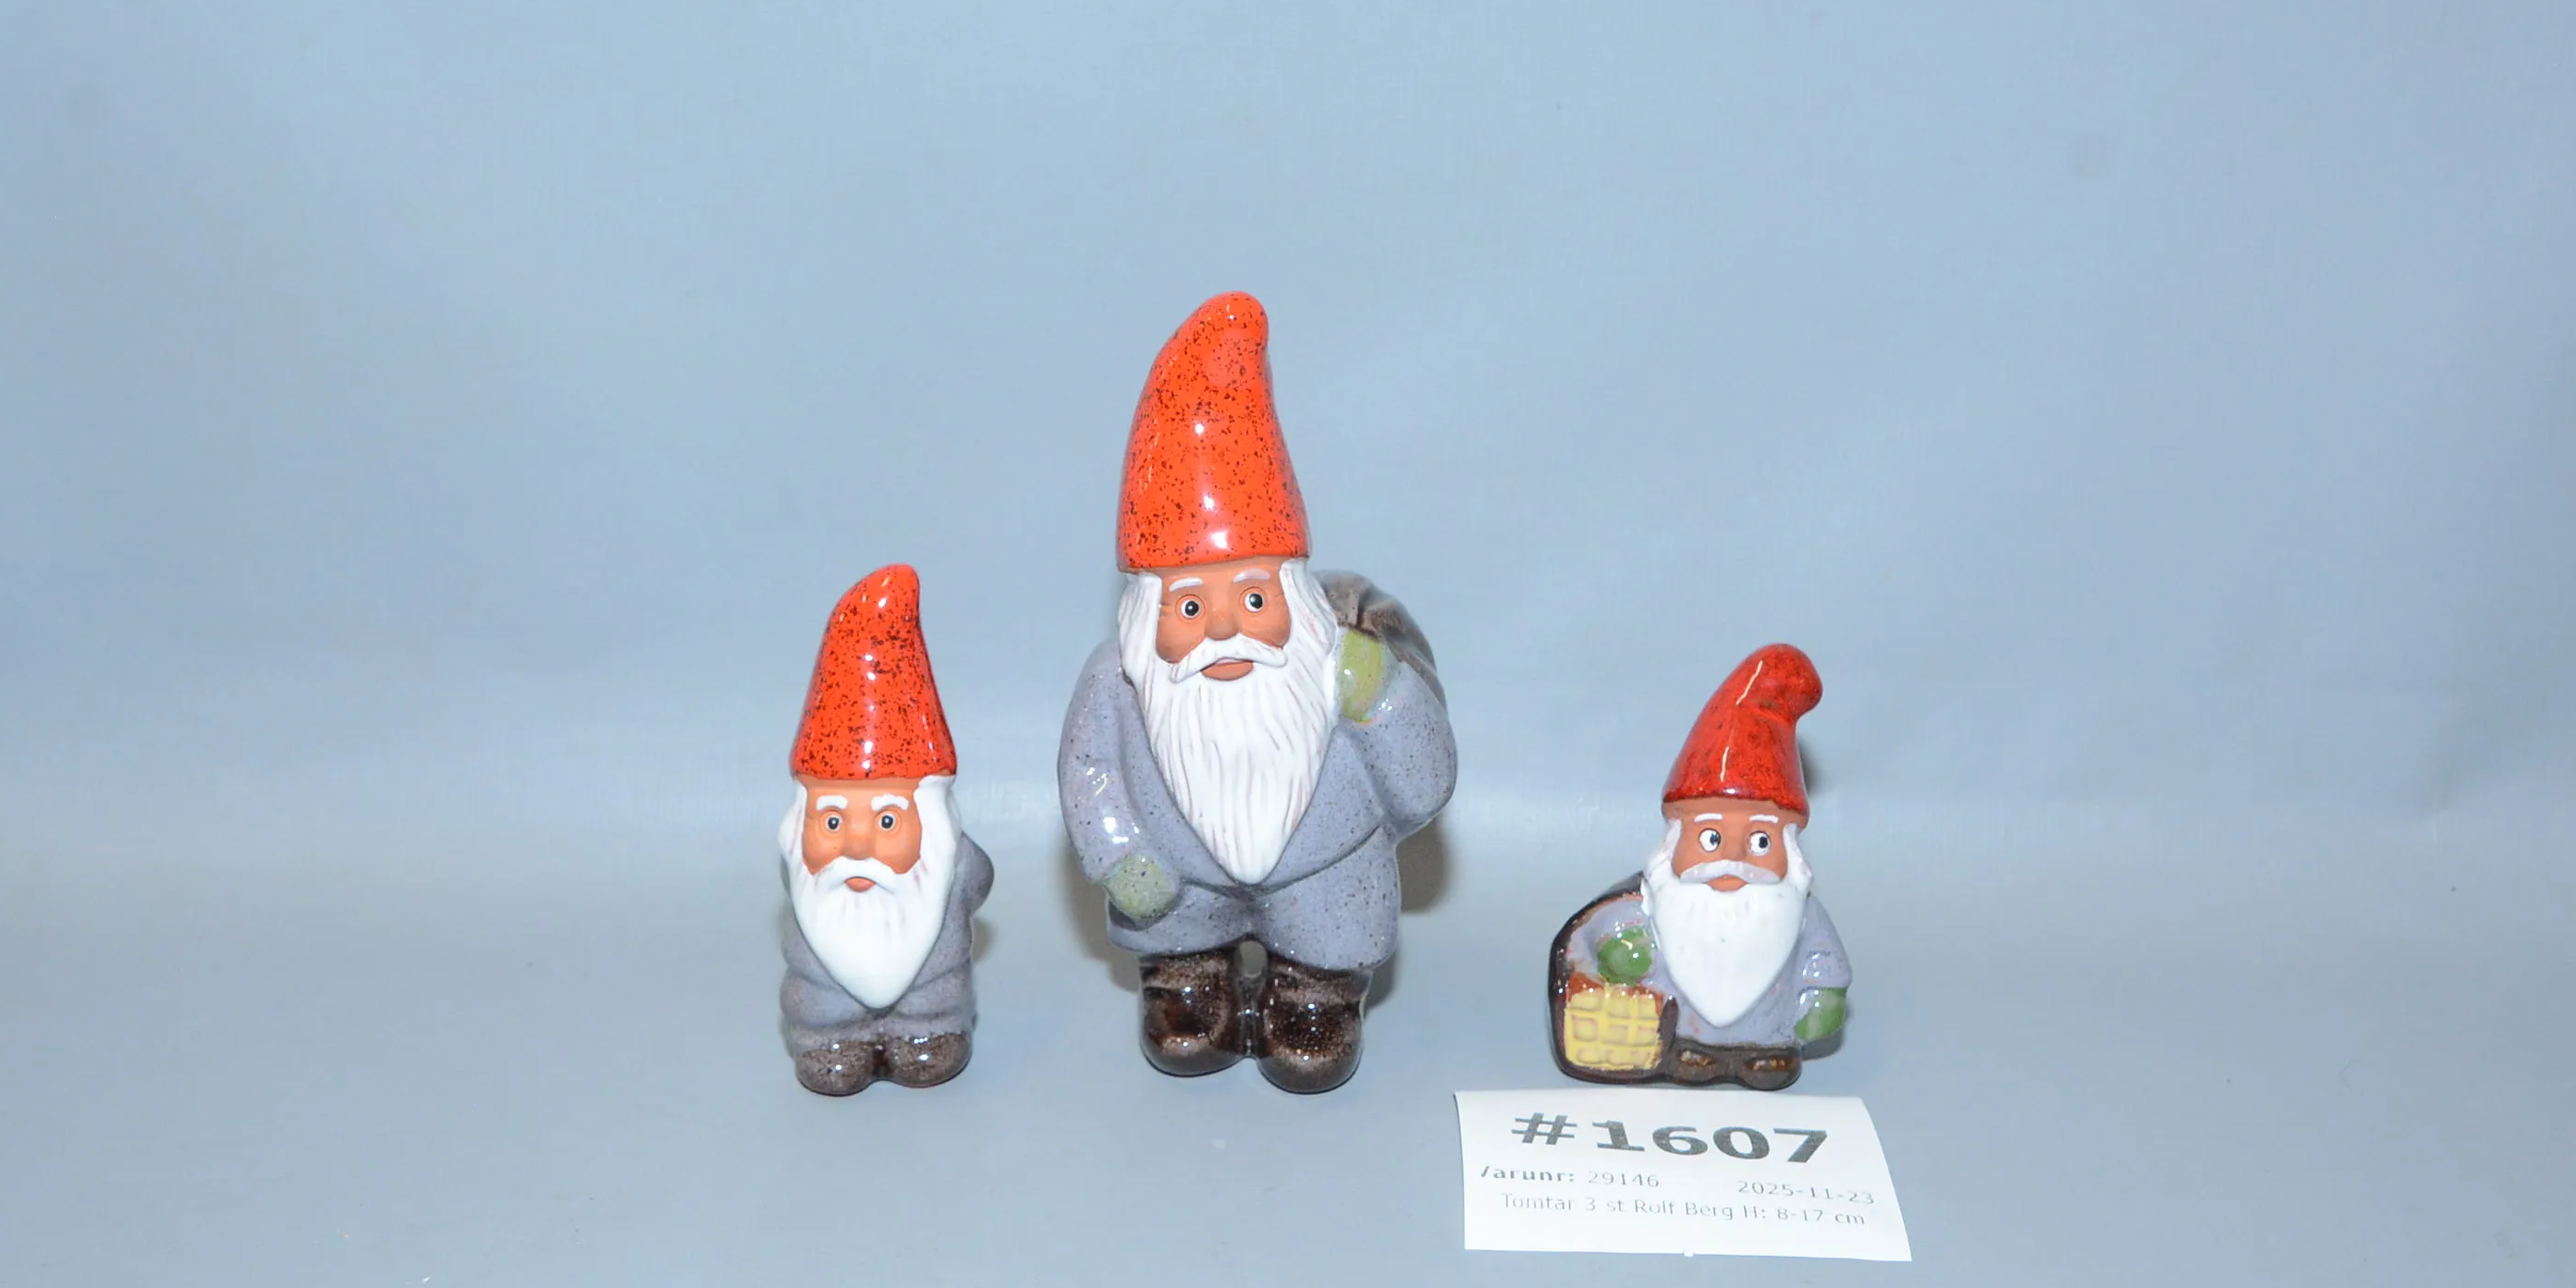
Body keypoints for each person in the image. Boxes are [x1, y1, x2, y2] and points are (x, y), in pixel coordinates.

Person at [1058, 293, 1456, 1093]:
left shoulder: (1342, 672)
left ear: (1298, 607)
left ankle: (1317, 992)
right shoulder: (1118, 680)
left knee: (1322, 973)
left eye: (1251, 598)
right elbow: (1090, 774)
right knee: (1180, 987)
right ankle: (1185, 982)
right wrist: (1121, 854)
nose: (1222, 630)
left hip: (1325, 877)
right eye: (1190, 608)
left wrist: (1384, 699)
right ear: (1144, 620)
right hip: (1180, 885)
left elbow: (1422, 791)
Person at [1549, 644, 1847, 1089]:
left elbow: (1824, 959)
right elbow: (1604, 930)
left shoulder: (1800, 915)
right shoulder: (1654, 902)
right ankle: (1695, 1049)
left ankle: (1765, 1052)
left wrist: (1823, 996)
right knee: (1692, 1054)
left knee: (1768, 1059)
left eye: (1760, 841)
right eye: (1711, 838)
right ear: (1675, 840)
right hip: (1684, 1035)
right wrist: (1622, 948)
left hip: (1770, 1037)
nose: (1734, 858)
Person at [778, 564, 993, 1095]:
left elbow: (977, 879)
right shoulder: (805, 877)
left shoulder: (953, 862)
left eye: (888, 821)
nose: (856, 846)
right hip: (823, 1004)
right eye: (832, 820)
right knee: (822, 1012)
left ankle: (930, 1030)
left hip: (932, 998)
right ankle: (828, 1039)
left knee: (932, 1024)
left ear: (933, 827)